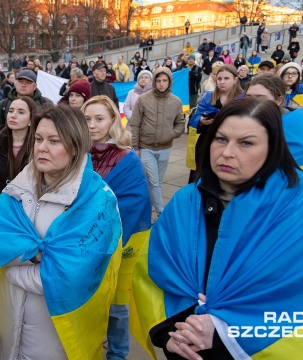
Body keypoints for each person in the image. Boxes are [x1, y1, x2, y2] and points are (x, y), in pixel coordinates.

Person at [130, 97, 303, 360]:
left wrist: (226, 332)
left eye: (246, 143)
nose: (227, 152)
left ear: (273, 148)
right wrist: (170, 334)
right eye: (221, 139)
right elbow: (152, 274)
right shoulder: (185, 202)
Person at [0, 105, 123, 360]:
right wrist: (37, 257)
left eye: (54, 141)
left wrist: (11, 270)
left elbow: (77, 276)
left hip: (57, 328)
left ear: (75, 147)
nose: (42, 147)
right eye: (39, 139)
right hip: (11, 316)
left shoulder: (98, 201)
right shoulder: (17, 190)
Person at [82, 96, 152, 360]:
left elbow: (135, 204)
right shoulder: (77, 153)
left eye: (99, 118)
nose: (92, 125)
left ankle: (118, 354)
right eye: (87, 119)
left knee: (117, 306)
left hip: (116, 241)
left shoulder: (127, 158)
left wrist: (97, 221)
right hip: (82, 243)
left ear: (113, 120)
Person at [245, 74, 303, 188]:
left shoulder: (282, 129)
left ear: (279, 100)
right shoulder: (291, 118)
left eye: (260, 98)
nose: (251, 103)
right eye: (248, 97)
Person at [130, 68, 185, 216]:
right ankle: (163, 214)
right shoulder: (143, 99)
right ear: (154, 81)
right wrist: (135, 147)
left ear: (169, 82)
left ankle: (144, 211)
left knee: (157, 184)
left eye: (164, 80)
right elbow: (135, 124)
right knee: (154, 183)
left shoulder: (176, 101)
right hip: (146, 147)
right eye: (158, 80)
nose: (161, 84)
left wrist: (172, 134)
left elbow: (180, 123)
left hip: (165, 148)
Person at [0, 96, 35, 208]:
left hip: (28, 211)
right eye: (11, 111)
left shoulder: (38, 147)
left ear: (31, 120)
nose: (13, 115)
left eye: (21, 112)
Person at [188, 65, 243, 181]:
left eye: (226, 78)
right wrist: (201, 121)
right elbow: (196, 116)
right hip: (206, 142)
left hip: (231, 143)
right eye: (219, 79)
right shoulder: (208, 96)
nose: (222, 82)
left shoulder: (243, 98)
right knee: (200, 175)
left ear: (235, 79)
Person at [278, 62, 303, 127]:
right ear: (281, 75)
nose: (290, 76)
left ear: (298, 76)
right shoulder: (274, 91)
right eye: (286, 73)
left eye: (294, 73)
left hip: (295, 131)